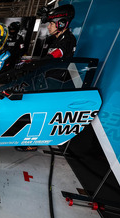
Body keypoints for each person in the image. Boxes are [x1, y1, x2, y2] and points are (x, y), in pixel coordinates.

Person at [16, 4, 76, 152]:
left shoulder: (67, 39)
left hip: (54, 83)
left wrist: (31, 64)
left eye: (51, 24)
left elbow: (52, 57)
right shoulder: (56, 38)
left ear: (61, 23)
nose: (48, 27)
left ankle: (32, 143)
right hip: (46, 79)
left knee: (40, 112)